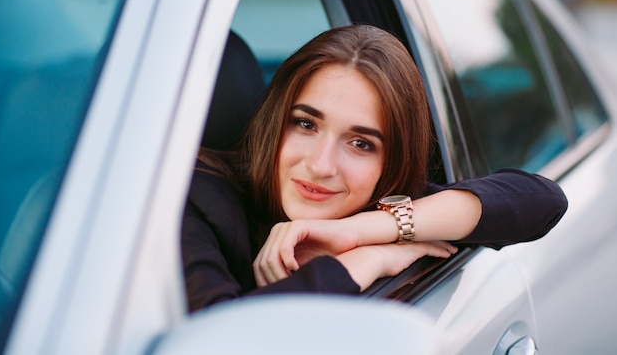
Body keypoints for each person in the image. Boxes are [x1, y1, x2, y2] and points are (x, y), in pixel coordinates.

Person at [181, 24, 567, 312]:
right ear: (275, 119)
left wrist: (358, 231)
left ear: (390, 161)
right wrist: (366, 260)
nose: (320, 165)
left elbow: (543, 200)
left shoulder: (378, 206)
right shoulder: (194, 201)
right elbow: (219, 339)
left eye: (361, 144)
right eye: (306, 124)